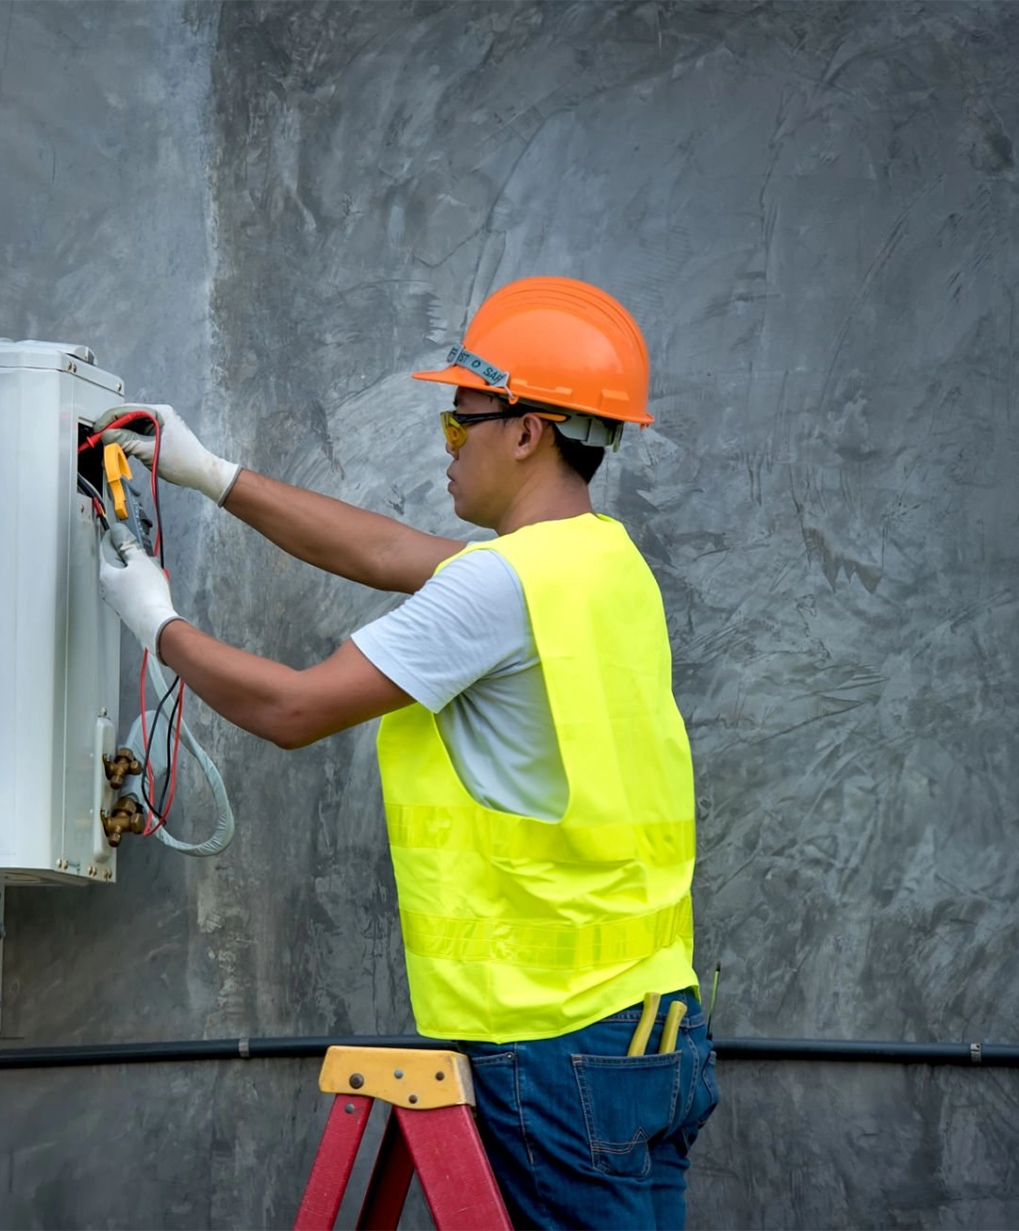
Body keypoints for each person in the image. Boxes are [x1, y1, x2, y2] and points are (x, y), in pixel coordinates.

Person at [97, 277, 718, 1231]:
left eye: (459, 423)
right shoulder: (598, 561)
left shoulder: (498, 591)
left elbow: (295, 708)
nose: (450, 446)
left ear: (528, 430)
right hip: (651, 1035)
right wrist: (210, 473)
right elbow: (388, 549)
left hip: (551, 1046)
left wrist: (157, 624)